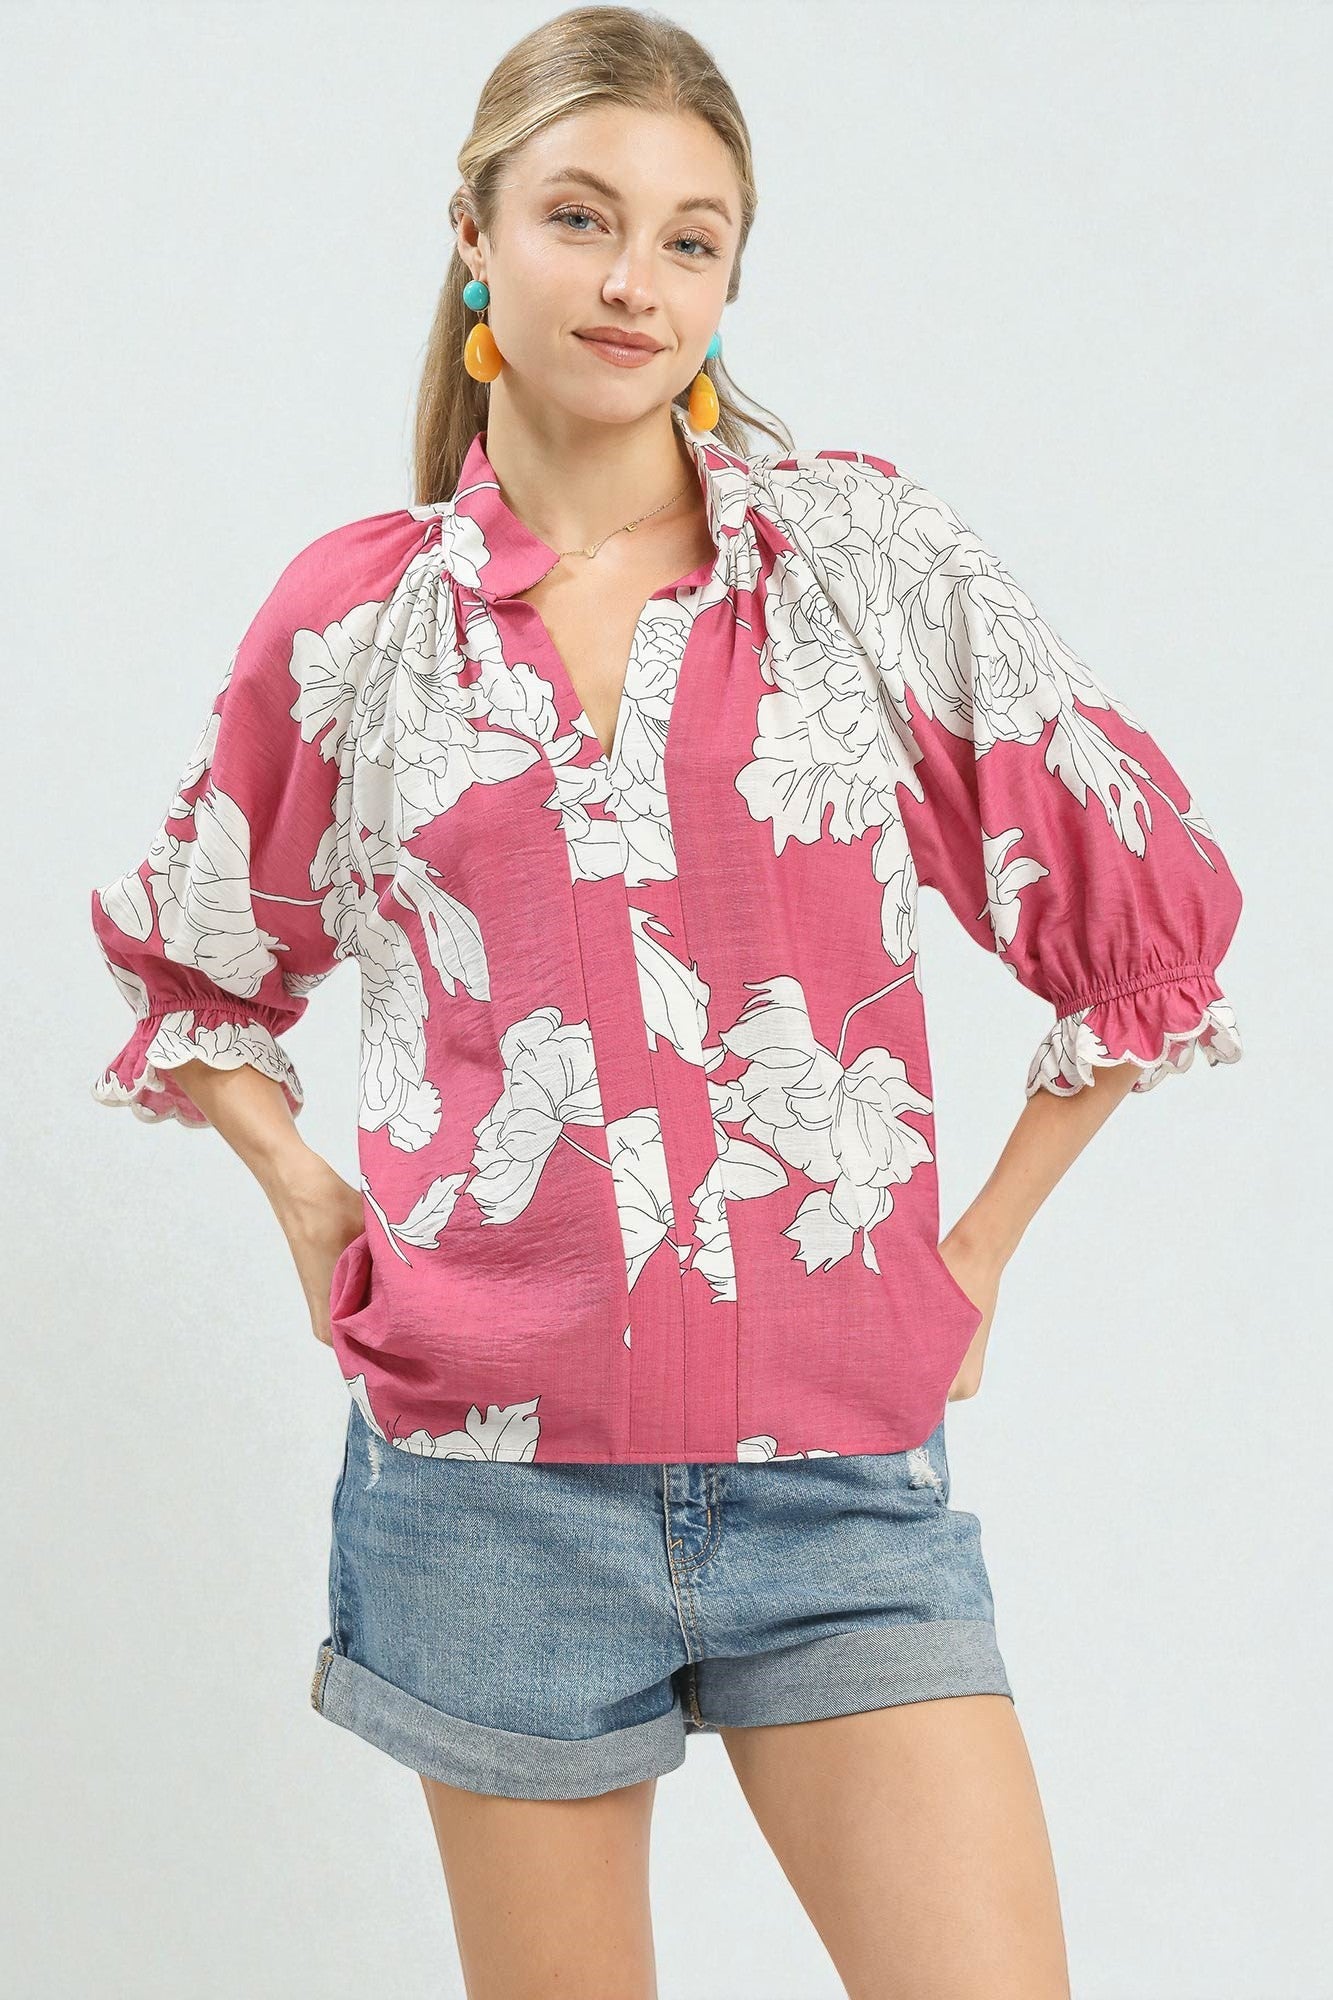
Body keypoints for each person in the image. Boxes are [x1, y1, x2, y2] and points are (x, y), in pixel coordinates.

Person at [86, 8, 1244, 1997]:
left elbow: (1136, 900)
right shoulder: (360, 621)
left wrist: (974, 1251)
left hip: (839, 1485)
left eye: (690, 240)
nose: (634, 278)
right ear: (474, 233)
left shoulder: (854, 562)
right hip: (491, 1498)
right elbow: (195, 959)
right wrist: (310, 1199)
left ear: (726, 284)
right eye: (581, 216)